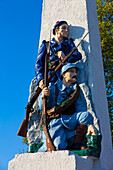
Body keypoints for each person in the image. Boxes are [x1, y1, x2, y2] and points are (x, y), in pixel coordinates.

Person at [38, 63, 97, 151]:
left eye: (76, 72)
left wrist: (90, 124)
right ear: (63, 75)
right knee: (59, 147)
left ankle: (76, 144)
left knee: (85, 115)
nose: (75, 74)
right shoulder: (53, 87)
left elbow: (80, 108)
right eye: (71, 71)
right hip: (55, 120)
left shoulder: (74, 91)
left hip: (69, 120)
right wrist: (43, 96)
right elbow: (41, 108)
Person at [35, 21, 82, 90]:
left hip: (65, 79)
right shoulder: (46, 45)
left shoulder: (69, 44)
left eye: (67, 29)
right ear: (57, 30)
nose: (66, 31)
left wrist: (65, 56)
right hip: (51, 78)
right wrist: (40, 79)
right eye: (63, 28)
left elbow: (78, 55)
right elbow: (39, 64)